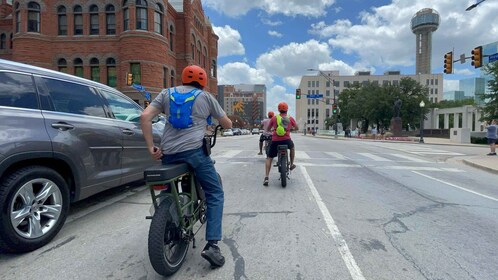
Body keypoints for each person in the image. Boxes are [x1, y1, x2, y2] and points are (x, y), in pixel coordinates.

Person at [140, 65, 232, 268]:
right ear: (203, 81)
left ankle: (167, 224)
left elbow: (145, 117)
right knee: (215, 192)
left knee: (167, 190)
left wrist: (151, 147)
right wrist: (219, 123)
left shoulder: (166, 93)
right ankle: (212, 246)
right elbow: (227, 124)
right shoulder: (206, 97)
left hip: (169, 154)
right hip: (194, 153)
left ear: (182, 78)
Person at [263, 102, 299, 186]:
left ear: (278, 109)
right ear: (287, 109)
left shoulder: (274, 118)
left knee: (269, 158)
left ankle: (266, 177)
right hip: (287, 140)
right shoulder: (290, 118)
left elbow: (268, 129)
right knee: (292, 148)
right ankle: (292, 164)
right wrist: (291, 129)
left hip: (275, 141)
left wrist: (272, 130)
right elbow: (297, 128)